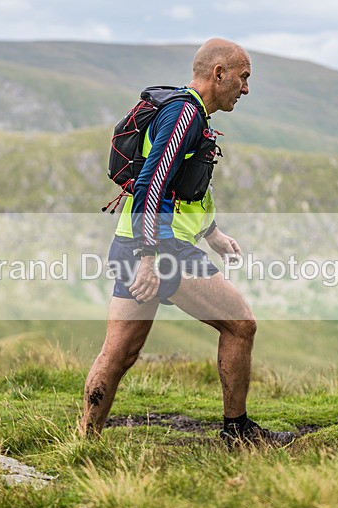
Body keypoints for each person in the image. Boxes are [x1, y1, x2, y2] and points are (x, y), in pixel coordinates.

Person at [81, 38, 294, 446]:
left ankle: (83, 444)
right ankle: (238, 433)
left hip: (130, 241)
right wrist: (150, 257)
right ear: (219, 73)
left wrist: (212, 233)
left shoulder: (186, 112)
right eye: (243, 78)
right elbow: (152, 182)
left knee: (118, 353)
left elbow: (183, 187)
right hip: (161, 248)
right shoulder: (185, 114)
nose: (246, 88)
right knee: (240, 326)